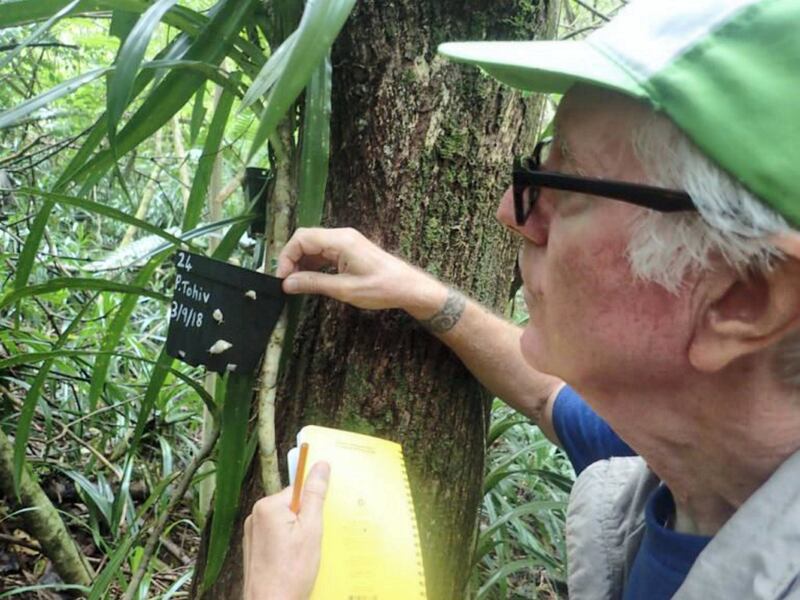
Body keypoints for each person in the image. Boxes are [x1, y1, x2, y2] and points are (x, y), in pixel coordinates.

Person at [243, 0, 800, 597]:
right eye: (540, 165)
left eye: (566, 182)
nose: (512, 215)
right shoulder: (699, 454)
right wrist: (420, 295)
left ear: (744, 299)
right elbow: (543, 395)